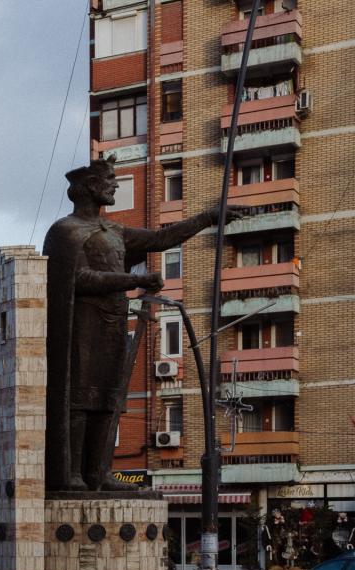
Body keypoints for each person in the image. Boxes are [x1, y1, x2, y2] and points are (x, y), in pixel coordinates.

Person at [42, 159, 241, 492]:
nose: (115, 186)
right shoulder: (66, 231)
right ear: (90, 185)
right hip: (81, 326)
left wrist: (208, 217)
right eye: (109, 180)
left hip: (112, 324)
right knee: (80, 399)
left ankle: (99, 472)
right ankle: (71, 472)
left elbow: (162, 239)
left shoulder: (115, 231)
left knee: (110, 399)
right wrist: (133, 279)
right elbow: (79, 278)